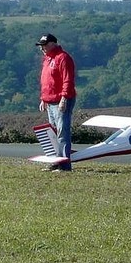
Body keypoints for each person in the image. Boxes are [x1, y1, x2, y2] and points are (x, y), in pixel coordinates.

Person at [36, 33, 76, 171]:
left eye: (45, 45)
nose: (42, 48)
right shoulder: (47, 59)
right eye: (41, 46)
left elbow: (67, 80)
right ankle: (55, 162)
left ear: (53, 43)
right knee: (53, 133)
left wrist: (64, 98)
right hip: (50, 100)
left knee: (62, 133)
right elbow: (46, 81)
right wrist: (43, 98)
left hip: (61, 100)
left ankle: (64, 165)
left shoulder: (63, 58)